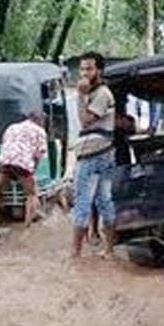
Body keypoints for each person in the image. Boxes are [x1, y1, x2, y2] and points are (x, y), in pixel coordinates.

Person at [70, 51, 117, 259]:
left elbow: (85, 120)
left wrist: (80, 95)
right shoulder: (98, 92)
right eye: (82, 68)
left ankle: (75, 255)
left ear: (99, 70)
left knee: (82, 202)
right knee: (104, 201)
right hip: (101, 154)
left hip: (93, 156)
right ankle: (108, 251)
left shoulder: (101, 94)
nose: (84, 73)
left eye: (89, 68)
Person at [0, 112, 47, 229]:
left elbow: (4, 145)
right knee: (31, 194)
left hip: (4, 161)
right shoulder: (40, 131)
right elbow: (38, 154)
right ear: (41, 121)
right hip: (22, 164)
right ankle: (27, 225)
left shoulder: (12, 127)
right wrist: (31, 171)